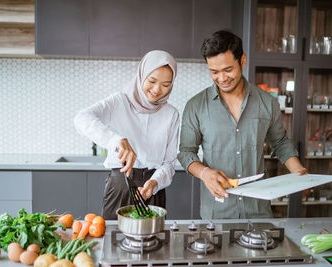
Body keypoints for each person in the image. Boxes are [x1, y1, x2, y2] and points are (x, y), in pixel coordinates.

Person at [177, 30, 307, 219]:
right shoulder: (196, 106)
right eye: (214, 72)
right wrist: (205, 173)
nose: (222, 78)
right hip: (217, 212)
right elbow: (186, 152)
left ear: (242, 60)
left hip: (258, 211)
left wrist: (299, 171)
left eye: (228, 69)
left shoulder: (267, 103)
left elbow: (280, 142)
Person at [74, 50, 180, 220]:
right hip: (120, 186)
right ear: (141, 75)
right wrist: (116, 140)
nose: (157, 89)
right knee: (113, 240)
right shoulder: (118, 102)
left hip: (153, 188)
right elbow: (81, 118)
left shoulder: (171, 114)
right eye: (151, 81)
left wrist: (155, 183)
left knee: (154, 243)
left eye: (166, 84)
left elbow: (169, 163)